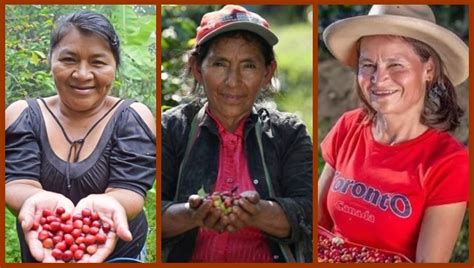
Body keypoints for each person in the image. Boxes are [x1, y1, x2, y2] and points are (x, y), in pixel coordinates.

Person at [161, 5, 312, 263]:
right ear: (197, 69)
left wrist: (259, 212)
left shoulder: (289, 134)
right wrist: (192, 214)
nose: (233, 81)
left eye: (249, 66)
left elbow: (308, 214)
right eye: (220, 64)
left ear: (267, 73)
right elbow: (150, 213)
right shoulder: (172, 129)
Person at [318, 5, 468, 263]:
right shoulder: (348, 127)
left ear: (428, 70)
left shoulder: (448, 162)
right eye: (368, 65)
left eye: (395, 65)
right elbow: (314, 225)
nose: (379, 79)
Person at [5, 10, 156, 263]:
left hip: (119, 254)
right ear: (50, 61)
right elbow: (17, 182)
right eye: (69, 59)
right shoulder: (23, 114)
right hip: (42, 250)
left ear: (115, 67)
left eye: (98, 62)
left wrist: (111, 204)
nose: (82, 74)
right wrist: (36, 200)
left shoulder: (131, 117)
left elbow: (130, 189)